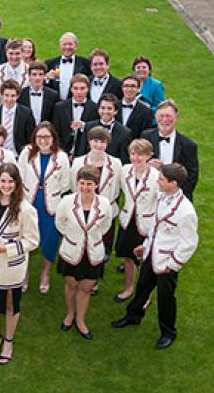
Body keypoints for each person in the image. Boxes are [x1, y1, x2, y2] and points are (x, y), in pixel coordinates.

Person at [111, 163, 198, 349]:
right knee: (142, 287)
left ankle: (168, 332)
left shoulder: (186, 212)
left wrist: (173, 263)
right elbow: (155, 226)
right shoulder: (161, 197)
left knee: (166, 298)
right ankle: (133, 316)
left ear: (173, 183)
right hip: (151, 255)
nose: (157, 181)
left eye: (161, 179)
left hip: (166, 263)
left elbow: (189, 243)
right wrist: (145, 246)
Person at [0, 163, 39, 364]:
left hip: (10, 266)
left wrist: (5, 249)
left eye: (11, 181)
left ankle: (8, 341)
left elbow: (32, 241)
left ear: (17, 183)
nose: (6, 185)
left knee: (10, 305)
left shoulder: (25, 209)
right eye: (3, 181)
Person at [55, 165, 112, 340]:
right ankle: (70, 314)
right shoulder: (66, 202)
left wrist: (90, 238)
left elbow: (105, 225)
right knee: (71, 285)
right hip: (71, 251)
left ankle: (80, 320)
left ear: (96, 185)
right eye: (82, 183)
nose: (85, 187)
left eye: (89, 184)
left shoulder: (104, 203)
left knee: (85, 289)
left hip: (93, 254)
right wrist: (75, 237)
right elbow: (60, 223)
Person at [18, 122, 70, 293]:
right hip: (29, 203)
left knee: (49, 242)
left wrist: (53, 195)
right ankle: (23, 273)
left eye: (47, 137)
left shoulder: (61, 157)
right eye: (40, 137)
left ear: (53, 138)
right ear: (34, 138)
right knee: (26, 239)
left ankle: (45, 273)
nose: (43, 140)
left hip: (51, 206)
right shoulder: (26, 153)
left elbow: (65, 184)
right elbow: (19, 177)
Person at [114, 139, 159, 303]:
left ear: (148, 156)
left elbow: (159, 204)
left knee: (145, 262)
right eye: (133, 154)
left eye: (140, 155)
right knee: (128, 257)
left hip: (145, 224)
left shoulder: (155, 177)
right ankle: (128, 288)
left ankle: (145, 295)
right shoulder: (125, 170)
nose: (136, 158)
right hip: (128, 221)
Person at [70, 126, 123, 264]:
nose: (99, 145)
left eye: (103, 142)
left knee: (102, 241)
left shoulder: (116, 164)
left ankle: (97, 270)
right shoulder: (78, 162)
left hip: (106, 209)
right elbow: (73, 185)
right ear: (89, 141)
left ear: (107, 143)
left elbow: (118, 186)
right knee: (83, 238)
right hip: (84, 207)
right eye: (95, 141)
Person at [140, 100, 198, 201]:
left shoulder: (188, 145)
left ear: (176, 118)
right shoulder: (146, 136)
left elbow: (192, 176)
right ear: (155, 117)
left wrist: (175, 196)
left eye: (168, 116)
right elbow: (137, 162)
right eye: (161, 116)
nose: (164, 119)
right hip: (150, 193)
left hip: (175, 196)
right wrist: (147, 164)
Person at [0, 80, 35, 158]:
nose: (9, 99)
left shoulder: (26, 113)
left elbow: (31, 137)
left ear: (18, 96)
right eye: (6, 95)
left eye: (13, 96)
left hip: (18, 155)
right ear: (1, 95)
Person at [52, 74, 98, 158]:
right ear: (71, 89)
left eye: (82, 88)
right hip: (63, 152)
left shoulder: (95, 108)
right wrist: (63, 152)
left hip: (85, 153)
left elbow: (95, 133)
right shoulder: (59, 107)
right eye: (75, 88)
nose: (79, 92)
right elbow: (55, 131)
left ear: (88, 89)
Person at [79, 93, 132, 164]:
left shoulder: (125, 132)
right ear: (98, 109)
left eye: (109, 108)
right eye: (103, 108)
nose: (105, 111)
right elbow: (82, 151)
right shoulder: (88, 126)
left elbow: (124, 160)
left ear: (115, 111)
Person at [45, 32, 91, 100]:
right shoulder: (49, 63)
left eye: (70, 44)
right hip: (55, 104)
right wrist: (47, 79)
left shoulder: (85, 63)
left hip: (76, 102)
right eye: (64, 44)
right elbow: (43, 86)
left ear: (76, 46)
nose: (67, 47)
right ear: (60, 46)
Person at [116, 74, 154, 139]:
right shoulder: (113, 106)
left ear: (138, 89)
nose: (129, 89)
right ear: (122, 88)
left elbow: (146, 134)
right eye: (126, 86)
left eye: (133, 86)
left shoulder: (146, 111)